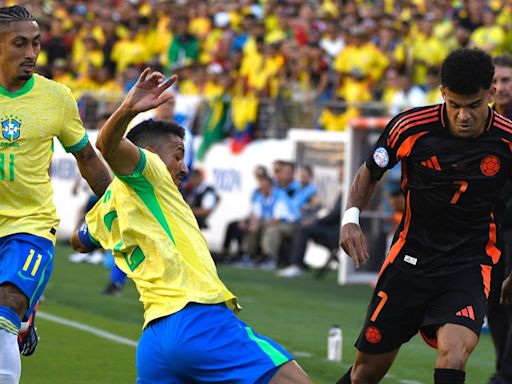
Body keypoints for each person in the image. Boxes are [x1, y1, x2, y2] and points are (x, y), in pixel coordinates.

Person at [70, 68, 312, 384]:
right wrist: (128, 108)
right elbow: (107, 145)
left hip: (154, 339)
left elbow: (78, 241)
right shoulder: (152, 172)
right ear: (149, 156)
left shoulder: (106, 209)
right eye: (178, 156)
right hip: (197, 319)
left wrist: (105, 203)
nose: (184, 167)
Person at [338, 48, 512, 384]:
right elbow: (369, 171)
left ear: (491, 95)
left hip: (471, 263)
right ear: (443, 94)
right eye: (455, 105)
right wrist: (350, 219)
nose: (463, 116)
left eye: (474, 105)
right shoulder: (410, 127)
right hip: (410, 260)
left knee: (454, 355)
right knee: (365, 374)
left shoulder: (506, 139)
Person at [0, 6, 111, 384]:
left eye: (36, 44)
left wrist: (120, 207)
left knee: (6, 305)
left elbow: (87, 157)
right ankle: (25, 320)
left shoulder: (56, 97)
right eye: (20, 44)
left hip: (30, 224)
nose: (31, 53)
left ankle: (19, 313)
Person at [488, 53, 512, 384]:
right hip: (488, 240)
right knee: (496, 313)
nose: (500, 87)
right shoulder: (482, 127)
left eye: (506, 80)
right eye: (494, 81)